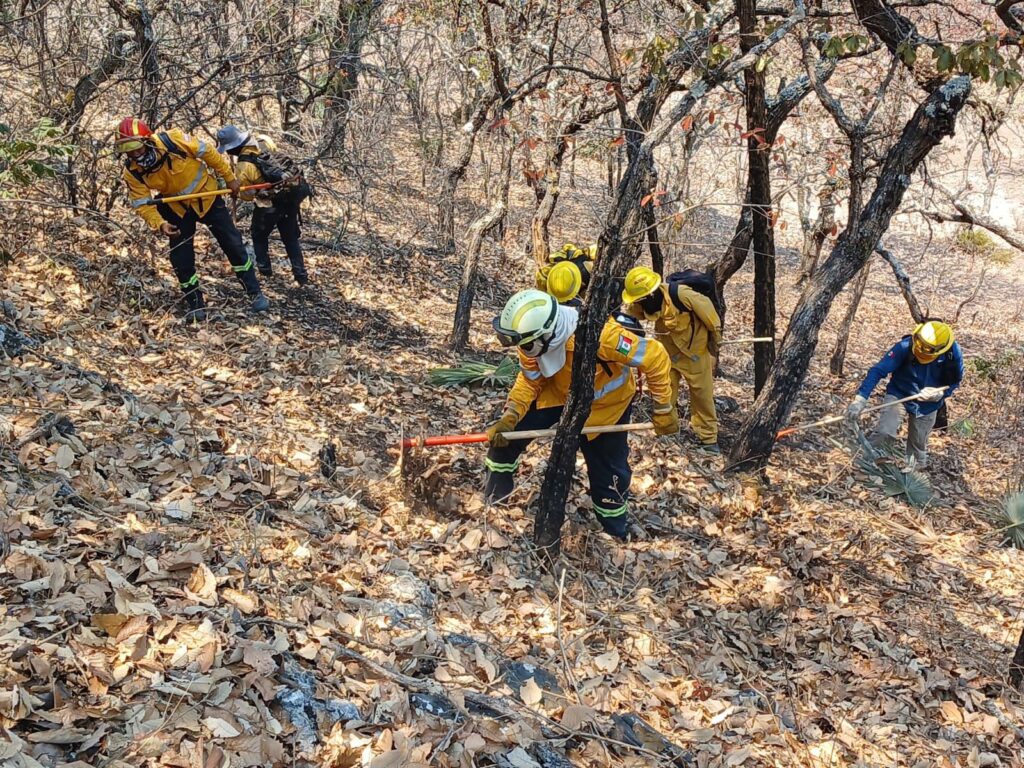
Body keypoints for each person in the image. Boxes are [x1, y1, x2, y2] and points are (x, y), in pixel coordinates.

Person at [484, 289, 678, 538]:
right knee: (505, 441)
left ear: (546, 335)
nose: (520, 348)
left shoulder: (604, 336)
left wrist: (663, 408)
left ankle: (614, 530)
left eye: (525, 344)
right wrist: (510, 415)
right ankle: (495, 503)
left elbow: (655, 356)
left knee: (608, 473)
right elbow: (530, 380)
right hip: (558, 395)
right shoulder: (528, 340)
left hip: (607, 408)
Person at [114, 118, 269, 321]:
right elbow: (142, 204)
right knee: (181, 258)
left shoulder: (173, 140)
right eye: (127, 150)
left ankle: (254, 292)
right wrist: (160, 223)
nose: (134, 154)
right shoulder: (133, 172)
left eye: (136, 148)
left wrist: (230, 178)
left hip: (208, 197)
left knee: (233, 244)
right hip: (177, 209)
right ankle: (195, 303)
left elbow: (209, 153)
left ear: (147, 140)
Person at [621, 266, 722, 453]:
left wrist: (715, 345)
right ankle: (668, 433)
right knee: (665, 394)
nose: (638, 303)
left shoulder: (683, 295)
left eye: (640, 299)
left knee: (702, 397)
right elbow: (628, 317)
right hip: (667, 354)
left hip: (695, 354)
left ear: (651, 294)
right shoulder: (642, 303)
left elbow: (712, 320)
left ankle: (708, 439)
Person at [847, 320, 964, 468]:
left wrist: (941, 394)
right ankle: (867, 462)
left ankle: (911, 475)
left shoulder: (952, 355)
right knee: (885, 433)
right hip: (899, 393)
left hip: (928, 405)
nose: (921, 350)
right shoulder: (905, 346)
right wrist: (861, 399)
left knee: (918, 445)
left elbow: (955, 381)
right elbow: (878, 370)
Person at [216, 125, 310, 286]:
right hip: (290, 198)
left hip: (269, 204)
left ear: (233, 147)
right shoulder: (264, 141)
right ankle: (301, 275)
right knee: (290, 237)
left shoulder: (243, 167)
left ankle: (265, 272)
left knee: (258, 235)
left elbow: (247, 195)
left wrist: (236, 190)